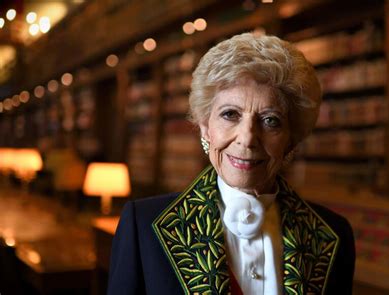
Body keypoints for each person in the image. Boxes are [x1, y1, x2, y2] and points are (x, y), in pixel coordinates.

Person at [107, 32, 355, 295]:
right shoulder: (143, 225)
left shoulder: (332, 235)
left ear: (291, 140)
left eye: (270, 120)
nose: (247, 139)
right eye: (230, 114)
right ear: (205, 127)